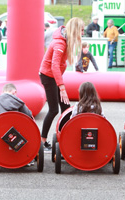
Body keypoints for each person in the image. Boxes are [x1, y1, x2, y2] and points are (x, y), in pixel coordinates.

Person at [39, 17, 84, 151]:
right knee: (53, 110)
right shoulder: (60, 43)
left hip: (53, 76)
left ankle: (67, 138)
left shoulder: (66, 40)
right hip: (48, 76)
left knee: (66, 108)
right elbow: (54, 67)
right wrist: (62, 87)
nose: (82, 33)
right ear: (75, 30)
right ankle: (42, 141)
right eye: (81, 30)